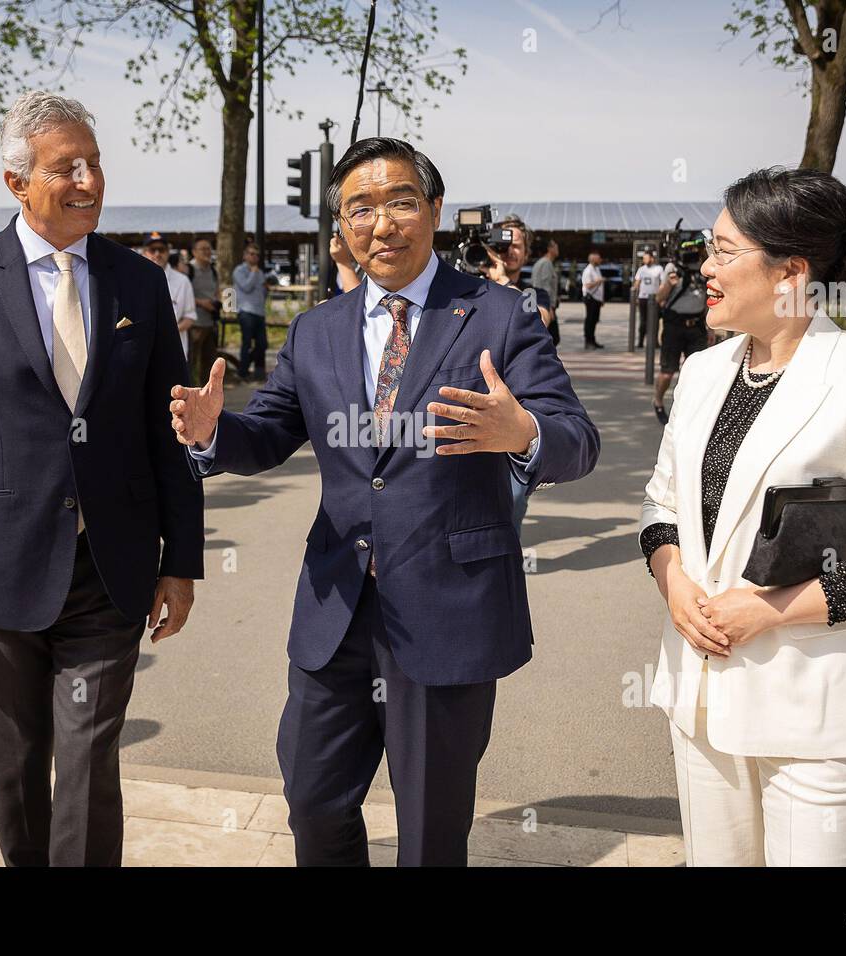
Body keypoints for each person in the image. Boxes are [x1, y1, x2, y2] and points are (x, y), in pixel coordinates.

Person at [170, 136, 599, 866]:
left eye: (400, 201)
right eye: (358, 208)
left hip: (448, 607)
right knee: (311, 799)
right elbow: (270, 432)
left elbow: (576, 438)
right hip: (336, 606)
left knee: (431, 829)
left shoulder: (499, 315)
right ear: (339, 228)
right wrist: (213, 434)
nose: (380, 223)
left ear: (433, 210)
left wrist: (519, 430)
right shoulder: (316, 331)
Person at [0, 90, 204, 867]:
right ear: (15, 182)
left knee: (91, 761)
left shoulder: (140, 283)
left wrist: (182, 560)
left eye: (96, 164)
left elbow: (172, 435)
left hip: (112, 569)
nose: (90, 180)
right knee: (15, 767)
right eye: (68, 167)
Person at [639, 166, 846, 866]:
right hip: (700, 694)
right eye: (707, 249)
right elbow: (661, 505)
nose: (705, 267)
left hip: (814, 706)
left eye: (724, 251)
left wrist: (770, 612)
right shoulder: (702, 372)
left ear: (791, 272)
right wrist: (674, 583)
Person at [484, 213, 554, 535]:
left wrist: (504, 285)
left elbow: (540, 319)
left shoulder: (534, 292)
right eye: (503, 243)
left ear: (526, 252)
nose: (510, 250)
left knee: (511, 503)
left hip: (514, 418)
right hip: (468, 409)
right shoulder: (469, 287)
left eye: (518, 245)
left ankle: (502, 568)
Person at [650, 261, 711, 424]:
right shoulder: (673, 268)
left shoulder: (704, 266)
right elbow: (659, 298)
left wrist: (710, 328)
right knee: (667, 371)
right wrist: (669, 284)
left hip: (697, 326)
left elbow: (707, 298)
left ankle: (689, 407)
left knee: (697, 371)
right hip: (674, 326)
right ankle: (658, 400)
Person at [142, 232, 197, 360]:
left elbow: (190, 317)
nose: (157, 254)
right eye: (152, 250)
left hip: (173, 350)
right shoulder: (134, 280)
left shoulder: (183, 281)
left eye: (161, 249)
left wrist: (166, 333)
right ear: (145, 252)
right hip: (144, 351)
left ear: (168, 252)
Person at [232, 243, 271, 381]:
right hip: (246, 311)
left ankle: (250, 369)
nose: (254, 257)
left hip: (259, 312)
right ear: (245, 255)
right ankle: (243, 372)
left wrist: (266, 288)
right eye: (251, 254)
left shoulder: (260, 272)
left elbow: (263, 291)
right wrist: (254, 273)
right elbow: (247, 287)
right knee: (247, 343)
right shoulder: (239, 271)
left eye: (257, 254)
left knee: (263, 344)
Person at [186, 237, 220, 385]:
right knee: (191, 362)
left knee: (209, 363)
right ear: (194, 252)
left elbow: (217, 291)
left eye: (209, 248)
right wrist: (201, 303)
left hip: (210, 323)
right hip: (194, 324)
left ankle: (207, 394)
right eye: (203, 249)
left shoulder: (213, 270)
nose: (207, 252)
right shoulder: (189, 270)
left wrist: (216, 302)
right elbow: (181, 297)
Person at [531, 238, 561, 347]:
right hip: (544, 305)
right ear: (550, 249)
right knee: (553, 337)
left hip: (541, 303)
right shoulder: (546, 263)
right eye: (556, 247)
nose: (558, 249)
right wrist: (549, 307)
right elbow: (545, 286)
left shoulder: (542, 262)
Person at [632, 250, 663, 350]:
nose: (644, 260)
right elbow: (637, 282)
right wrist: (634, 293)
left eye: (646, 258)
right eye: (643, 258)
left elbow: (662, 283)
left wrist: (661, 297)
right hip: (643, 298)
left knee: (655, 321)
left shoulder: (658, 269)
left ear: (652, 258)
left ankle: (655, 342)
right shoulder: (641, 269)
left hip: (654, 298)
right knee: (643, 320)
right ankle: (641, 341)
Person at [581, 250, 606, 350]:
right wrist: (598, 281)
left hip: (597, 299)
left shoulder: (597, 269)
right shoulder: (588, 270)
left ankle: (593, 340)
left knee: (595, 320)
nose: (600, 260)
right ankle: (588, 341)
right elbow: (587, 285)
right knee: (590, 320)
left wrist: (602, 299)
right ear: (593, 259)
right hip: (590, 298)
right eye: (599, 258)